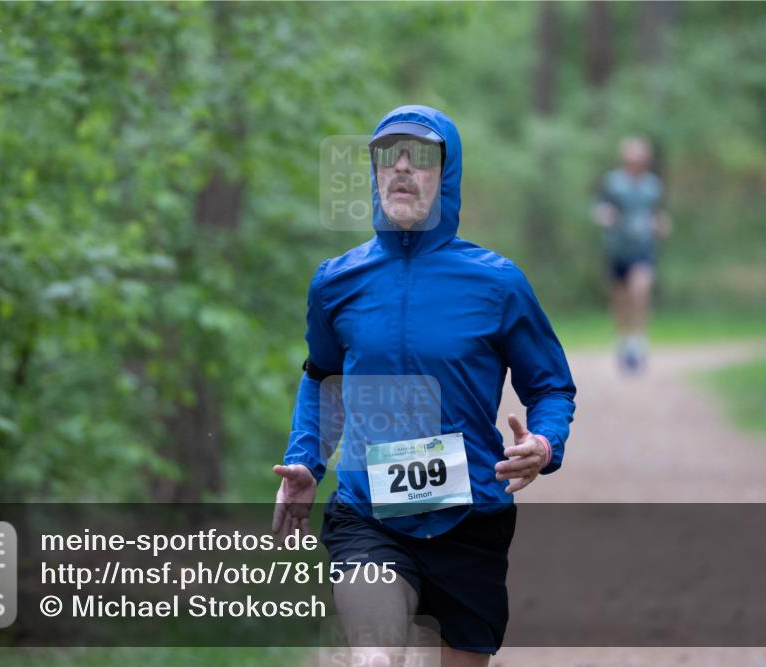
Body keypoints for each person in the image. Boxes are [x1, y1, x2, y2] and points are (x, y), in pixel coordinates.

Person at [272, 105, 576, 666]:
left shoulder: (498, 283)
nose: (403, 168)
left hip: (471, 516)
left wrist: (543, 444)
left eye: (422, 156)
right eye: (389, 155)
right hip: (369, 513)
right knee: (374, 659)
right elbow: (322, 377)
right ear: (374, 171)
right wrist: (306, 463)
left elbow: (552, 386)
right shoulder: (337, 282)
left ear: (448, 174)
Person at [592, 137, 671, 373]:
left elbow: (658, 215)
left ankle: (639, 340)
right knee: (621, 299)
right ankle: (623, 340)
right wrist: (604, 215)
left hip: (643, 249)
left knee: (640, 289)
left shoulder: (653, 186)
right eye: (632, 158)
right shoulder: (612, 182)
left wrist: (661, 225)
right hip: (617, 248)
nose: (636, 162)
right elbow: (599, 207)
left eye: (640, 158)